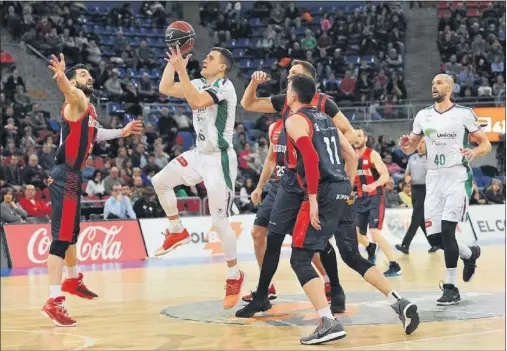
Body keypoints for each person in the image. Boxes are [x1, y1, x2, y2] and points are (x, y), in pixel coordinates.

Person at [238, 60, 358, 312]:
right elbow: (248, 104)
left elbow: (350, 134)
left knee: (316, 243)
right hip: (287, 179)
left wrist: (328, 156)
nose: (287, 77)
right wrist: (253, 83)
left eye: (294, 75)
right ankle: (263, 294)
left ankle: (335, 288)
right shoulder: (286, 101)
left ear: (307, 82)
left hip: (315, 180)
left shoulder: (325, 104)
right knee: (265, 234)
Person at [41, 54, 143, 327]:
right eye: (84, 74)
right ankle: (53, 300)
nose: (90, 77)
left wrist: (121, 133)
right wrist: (62, 77)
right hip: (64, 175)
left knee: (72, 234)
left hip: (73, 177)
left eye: (89, 74)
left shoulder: (90, 110)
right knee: (61, 240)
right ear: (75, 80)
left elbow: (95, 133)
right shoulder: (77, 100)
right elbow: (68, 90)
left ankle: (72, 279)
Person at [152, 46, 244, 309]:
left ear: (223, 66)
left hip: (220, 160)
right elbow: (165, 88)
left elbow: (196, 101)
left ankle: (234, 275)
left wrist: (182, 69)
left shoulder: (225, 87)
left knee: (220, 221)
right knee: (160, 181)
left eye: (211, 58)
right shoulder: (200, 83)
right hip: (198, 155)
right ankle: (177, 230)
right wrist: (173, 62)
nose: (205, 59)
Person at [267, 74, 356, 344]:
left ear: (293, 95)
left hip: (322, 190)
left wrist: (314, 198)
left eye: (287, 90)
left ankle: (328, 321)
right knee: (313, 250)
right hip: (340, 187)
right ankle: (330, 313)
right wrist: (346, 189)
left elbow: (310, 156)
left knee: (300, 258)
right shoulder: (325, 118)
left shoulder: (295, 120)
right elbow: (351, 155)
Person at [399, 74, 491, 305]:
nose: (434, 87)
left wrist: (474, 152)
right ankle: (469, 254)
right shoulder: (423, 115)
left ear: (449, 88)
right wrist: (405, 145)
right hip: (434, 178)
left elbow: (485, 143)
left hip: (456, 176)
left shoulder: (464, 114)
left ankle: (451, 287)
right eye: (432, 84)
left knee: (449, 231)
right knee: (436, 239)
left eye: (439, 83)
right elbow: (410, 148)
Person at [353, 128, 402, 276]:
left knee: (374, 233)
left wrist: (374, 185)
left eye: (360, 135)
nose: (357, 138)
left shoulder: (372, 154)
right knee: (356, 234)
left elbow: (385, 175)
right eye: (355, 136)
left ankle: (395, 265)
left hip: (375, 197)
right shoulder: (350, 156)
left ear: (365, 139)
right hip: (359, 198)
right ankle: (370, 248)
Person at [396, 139, 439, 254]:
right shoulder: (412, 157)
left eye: (423, 142)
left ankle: (405, 245)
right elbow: (407, 173)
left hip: (426, 189)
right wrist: (407, 178)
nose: (420, 144)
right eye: (419, 142)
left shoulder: (431, 158)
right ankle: (434, 244)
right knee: (420, 220)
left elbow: (436, 174)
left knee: (416, 217)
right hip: (414, 189)